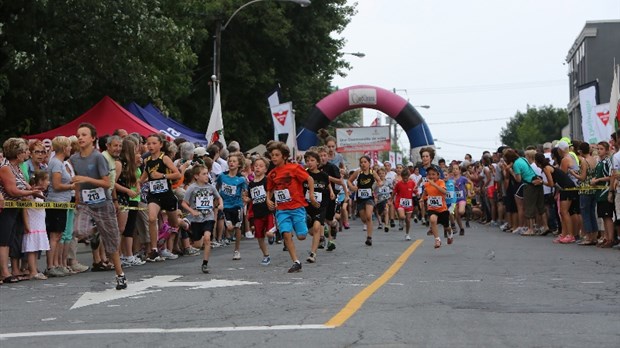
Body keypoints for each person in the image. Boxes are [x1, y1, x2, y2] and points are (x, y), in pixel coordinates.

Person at [70, 123, 127, 290]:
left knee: (112, 244)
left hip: (103, 203)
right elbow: (78, 182)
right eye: (78, 134)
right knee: (78, 230)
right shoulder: (74, 159)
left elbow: (106, 182)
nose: (80, 137)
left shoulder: (98, 157)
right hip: (86, 204)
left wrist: (86, 180)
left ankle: (120, 275)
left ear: (93, 138)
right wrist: (78, 197)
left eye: (84, 134)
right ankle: (94, 233)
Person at [266, 142, 318, 273]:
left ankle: (307, 219)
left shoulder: (294, 168)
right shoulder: (271, 174)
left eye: (277, 155)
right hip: (282, 209)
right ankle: (296, 261)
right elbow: (270, 189)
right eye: (272, 155)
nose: (274, 157)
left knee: (301, 236)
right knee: (286, 234)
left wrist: (311, 196)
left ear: (284, 156)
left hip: (297, 206)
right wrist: (268, 199)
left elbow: (310, 179)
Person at [141, 133, 182, 262]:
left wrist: (163, 176)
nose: (151, 146)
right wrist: (136, 186)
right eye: (149, 143)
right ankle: (154, 250)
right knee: (152, 219)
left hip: (167, 195)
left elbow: (177, 174)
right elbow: (143, 178)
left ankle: (182, 225)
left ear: (160, 145)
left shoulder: (165, 159)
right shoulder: (147, 161)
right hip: (154, 195)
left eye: (154, 143)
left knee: (174, 223)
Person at [182, 164, 222, 273]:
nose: (206, 176)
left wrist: (220, 204)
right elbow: (184, 203)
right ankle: (187, 230)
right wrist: (192, 211)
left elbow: (218, 197)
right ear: (196, 176)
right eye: (204, 174)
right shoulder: (192, 188)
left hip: (208, 217)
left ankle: (205, 263)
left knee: (207, 238)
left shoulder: (210, 187)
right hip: (196, 219)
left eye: (207, 173)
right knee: (197, 244)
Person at [45, 136, 76, 277]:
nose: (70, 149)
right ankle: (51, 265)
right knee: (55, 235)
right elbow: (56, 185)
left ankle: (57, 264)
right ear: (64, 148)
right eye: (69, 146)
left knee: (59, 235)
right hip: (56, 202)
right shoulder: (56, 163)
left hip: (62, 202)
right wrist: (72, 186)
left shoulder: (60, 163)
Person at [115, 137, 146, 267]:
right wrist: (127, 191)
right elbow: (113, 183)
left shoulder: (129, 164)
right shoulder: (119, 163)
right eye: (134, 149)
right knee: (121, 229)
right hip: (121, 197)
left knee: (127, 228)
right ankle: (120, 255)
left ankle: (125, 255)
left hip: (127, 198)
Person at [216, 152, 248, 260]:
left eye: (234, 161)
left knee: (238, 227)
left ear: (239, 164)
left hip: (237, 205)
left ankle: (237, 250)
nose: (231, 163)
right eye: (230, 161)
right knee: (230, 227)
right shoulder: (222, 176)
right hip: (226, 205)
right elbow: (217, 187)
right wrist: (217, 199)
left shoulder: (241, 179)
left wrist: (245, 198)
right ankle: (229, 234)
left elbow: (245, 191)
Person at [303, 150, 333, 263]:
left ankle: (313, 253)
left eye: (312, 160)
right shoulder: (304, 174)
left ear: (317, 162)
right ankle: (320, 233)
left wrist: (331, 192)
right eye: (307, 160)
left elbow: (328, 184)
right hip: (307, 206)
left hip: (320, 205)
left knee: (316, 227)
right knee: (311, 231)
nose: (309, 163)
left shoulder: (323, 175)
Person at [22, 170, 51, 280]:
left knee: (35, 249)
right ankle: (32, 271)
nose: (48, 182)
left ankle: (34, 269)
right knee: (31, 248)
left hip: (40, 224)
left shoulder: (41, 193)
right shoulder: (31, 194)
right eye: (47, 180)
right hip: (32, 224)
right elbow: (24, 209)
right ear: (41, 181)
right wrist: (26, 224)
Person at [348, 155, 383, 246]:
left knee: (368, 216)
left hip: (369, 197)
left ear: (369, 163)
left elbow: (380, 181)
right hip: (360, 198)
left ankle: (369, 237)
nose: (363, 164)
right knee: (364, 219)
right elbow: (349, 181)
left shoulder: (372, 172)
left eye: (365, 162)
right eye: (361, 162)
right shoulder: (358, 172)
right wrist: (352, 187)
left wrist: (379, 184)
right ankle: (368, 225)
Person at [248, 156, 274, 266]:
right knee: (259, 236)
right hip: (257, 212)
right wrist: (247, 199)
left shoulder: (267, 180)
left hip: (268, 211)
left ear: (265, 169)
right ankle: (266, 255)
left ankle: (273, 234)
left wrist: (271, 201)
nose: (258, 168)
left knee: (268, 233)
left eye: (261, 166)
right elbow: (251, 198)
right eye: (256, 166)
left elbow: (272, 191)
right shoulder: (251, 184)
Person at [422, 166, 450, 248]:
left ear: (438, 175)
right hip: (432, 208)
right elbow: (425, 192)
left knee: (446, 226)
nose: (431, 176)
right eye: (429, 174)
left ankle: (450, 232)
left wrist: (434, 185)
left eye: (433, 174)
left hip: (442, 209)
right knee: (433, 220)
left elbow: (444, 191)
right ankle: (437, 240)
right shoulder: (427, 184)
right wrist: (421, 199)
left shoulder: (441, 182)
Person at [393, 168, 416, 240]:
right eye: (403, 178)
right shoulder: (398, 184)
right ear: (401, 177)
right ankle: (401, 221)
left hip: (409, 203)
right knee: (402, 216)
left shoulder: (412, 183)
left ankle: (407, 234)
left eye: (406, 178)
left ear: (409, 176)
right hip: (400, 202)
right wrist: (391, 199)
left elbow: (414, 190)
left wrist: (417, 194)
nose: (405, 180)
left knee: (408, 220)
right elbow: (394, 192)